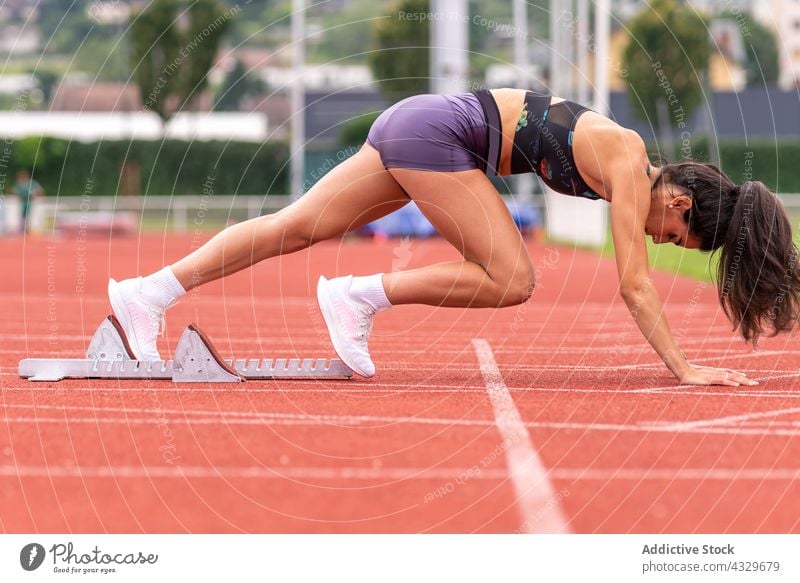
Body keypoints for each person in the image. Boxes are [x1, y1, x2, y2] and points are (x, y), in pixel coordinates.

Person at [107, 88, 800, 386]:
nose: (662, 241)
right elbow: (632, 283)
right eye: (677, 235)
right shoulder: (625, 158)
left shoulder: (626, 165)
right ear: (677, 200)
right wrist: (684, 367)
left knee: (296, 227)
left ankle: (149, 292)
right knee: (513, 277)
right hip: (439, 134)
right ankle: (357, 296)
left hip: (428, 126)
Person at [11, 169, 44, 234]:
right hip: (22, 203)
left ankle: (29, 230)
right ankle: (23, 230)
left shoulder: (32, 183)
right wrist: (18, 194)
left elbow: (40, 191)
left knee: (30, 216)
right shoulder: (19, 183)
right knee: (22, 216)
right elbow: (13, 191)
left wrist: (33, 194)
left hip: (31, 203)